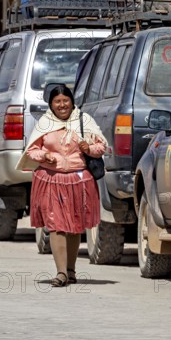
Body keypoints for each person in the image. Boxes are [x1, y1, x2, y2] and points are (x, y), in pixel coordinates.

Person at [16, 85, 107, 287]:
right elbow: (32, 150)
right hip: (51, 180)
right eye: (57, 101)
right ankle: (61, 273)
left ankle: (71, 270)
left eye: (65, 100)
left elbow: (102, 147)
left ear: (72, 101)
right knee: (56, 225)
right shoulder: (45, 122)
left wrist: (88, 148)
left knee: (74, 227)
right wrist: (44, 155)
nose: (62, 105)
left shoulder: (84, 120)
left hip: (78, 180)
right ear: (51, 104)